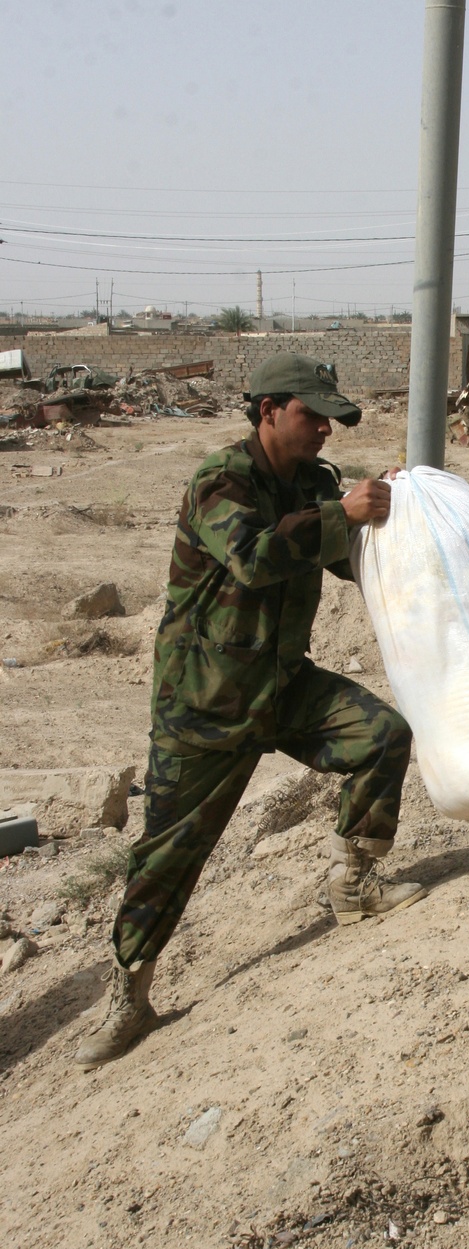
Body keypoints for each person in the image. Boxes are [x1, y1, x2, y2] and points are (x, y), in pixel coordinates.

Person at [75, 354, 426, 1070]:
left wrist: (401, 519)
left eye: (330, 416)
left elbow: (343, 558)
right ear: (267, 409)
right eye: (311, 414)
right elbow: (254, 557)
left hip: (281, 685)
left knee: (381, 736)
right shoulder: (220, 481)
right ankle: (130, 995)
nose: (325, 427)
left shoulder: (314, 482)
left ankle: (356, 884)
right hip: (204, 701)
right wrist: (340, 517)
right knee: (168, 858)